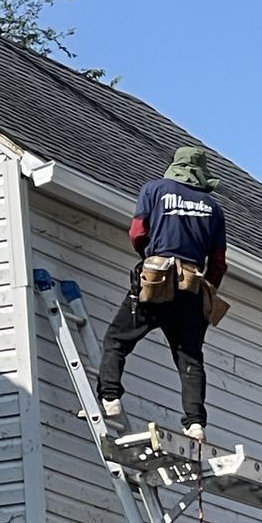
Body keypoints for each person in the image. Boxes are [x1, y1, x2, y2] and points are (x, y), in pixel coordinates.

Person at [97, 146, 228, 443]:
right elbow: (219, 261)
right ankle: (195, 424)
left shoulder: (154, 190)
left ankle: (111, 399)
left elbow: (137, 232)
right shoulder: (213, 207)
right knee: (190, 358)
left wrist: (149, 258)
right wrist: (208, 287)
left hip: (156, 279)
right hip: (190, 287)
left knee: (117, 340)